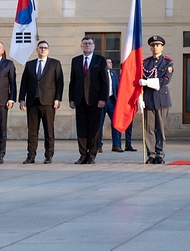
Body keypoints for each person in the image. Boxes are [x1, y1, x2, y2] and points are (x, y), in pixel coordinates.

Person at [19, 40, 64, 164]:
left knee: (49, 130)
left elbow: (59, 83)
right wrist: (22, 99)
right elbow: (24, 83)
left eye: (45, 48)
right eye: (40, 48)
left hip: (48, 102)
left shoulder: (55, 64)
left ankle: (49, 155)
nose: (42, 49)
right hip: (32, 102)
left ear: (48, 50)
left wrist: (57, 99)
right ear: (37, 50)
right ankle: (31, 155)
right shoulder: (29, 65)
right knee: (32, 131)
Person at [69, 36, 107, 164]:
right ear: (81, 46)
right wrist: (71, 99)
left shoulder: (100, 60)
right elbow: (72, 81)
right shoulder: (76, 61)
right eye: (85, 43)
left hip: (95, 100)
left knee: (94, 128)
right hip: (80, 99)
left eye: (89, 43)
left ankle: (92, 154)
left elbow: (104, 81)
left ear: (94, 46)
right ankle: (82, 154)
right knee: (81, 128)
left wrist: (103, 98)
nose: (87, 46)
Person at [139, 35, 173, 164]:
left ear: (162, 47)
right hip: (148, 98)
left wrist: (147, 83)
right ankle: (151, 154)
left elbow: (166, 80)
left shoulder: (168, 62)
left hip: (161, 98)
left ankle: (160, 153)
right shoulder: (145, 62)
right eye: (153, 45)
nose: (155, 48)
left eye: (157, 45)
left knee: (160, 128)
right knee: (149, 129)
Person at [99, 58, 134, 153]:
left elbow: (119, 87)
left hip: (112, 100)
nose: (110, 64)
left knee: (116, 123)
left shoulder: (114, 74)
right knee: (99, 124)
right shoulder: (100, 73)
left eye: (110, 62)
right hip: (102, 100)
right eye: (107, 62)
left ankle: (116, 145)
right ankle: (98, 146)